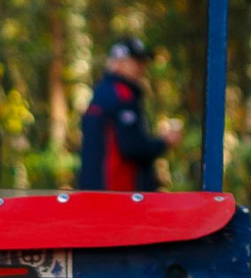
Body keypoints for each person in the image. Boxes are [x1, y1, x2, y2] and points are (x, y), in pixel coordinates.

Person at [76, 36, 180, 192]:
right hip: (119, 194)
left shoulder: (101, 92)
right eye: (136, 62)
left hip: (98, 192)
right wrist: (164, 142)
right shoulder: (121, 95)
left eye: (144, 62)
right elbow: (132, 147)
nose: (142, 67)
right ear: (119, 63)